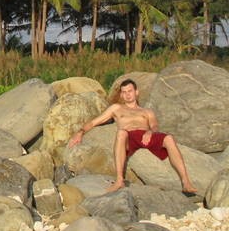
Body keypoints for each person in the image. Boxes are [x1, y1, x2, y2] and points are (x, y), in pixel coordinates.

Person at [67, 78, 198, 196]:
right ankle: (119, 180)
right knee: (121, 133)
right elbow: (94, 122)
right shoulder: (116, 108)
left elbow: (154, 125)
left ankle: (185, 182)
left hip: (145, 136)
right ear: (121, 95)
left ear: (136, 92)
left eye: (130, 91)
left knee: (169, 138)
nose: (127, 94)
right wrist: (80, 132)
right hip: (129, 138)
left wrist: (150, 132)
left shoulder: (146, 111)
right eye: (124, 92)